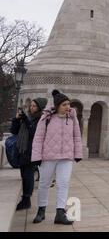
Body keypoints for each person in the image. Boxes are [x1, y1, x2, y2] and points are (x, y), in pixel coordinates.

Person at [31, 90, 83, 225]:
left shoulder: (72, 118)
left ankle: (60, 213)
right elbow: (38, 138)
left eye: (69, 104)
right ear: (58, 105)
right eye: (65, 104)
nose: (68, 107)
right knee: (44, 183)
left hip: (66, 157)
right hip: (48, 157)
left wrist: (78, 154)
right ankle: (41, 211)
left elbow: (77, 137)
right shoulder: (46, 118)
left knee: (63, 183)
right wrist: (36, 156)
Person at [10, 98, 48, 211]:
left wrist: (26, 120)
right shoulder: (27, 117)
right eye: (31, 105)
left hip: (32, 151)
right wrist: (16, 119)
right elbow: (14, 131)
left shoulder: (41, 119)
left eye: (34, 106)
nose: (31, 108)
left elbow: (34, 132)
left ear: (40, 108)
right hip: (23, 150)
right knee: (24, 175)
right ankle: (25, 200)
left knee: (28, 176)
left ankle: (26, 200)